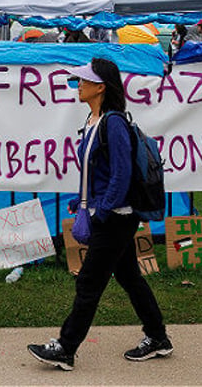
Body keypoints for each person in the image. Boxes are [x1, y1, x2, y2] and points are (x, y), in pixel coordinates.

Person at [27, 58, 171, 371]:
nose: (78, 85)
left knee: (89, 282)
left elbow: (120, 176)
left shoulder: (114, 122)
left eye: (83, 80)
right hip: (106, 210)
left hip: (116, 216)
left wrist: (100, 212)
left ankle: (66, 347)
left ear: (101, 87)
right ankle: (158, 337)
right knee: (130, 277)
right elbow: (100, 173)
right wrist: (83, 202)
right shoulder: (94, 121)